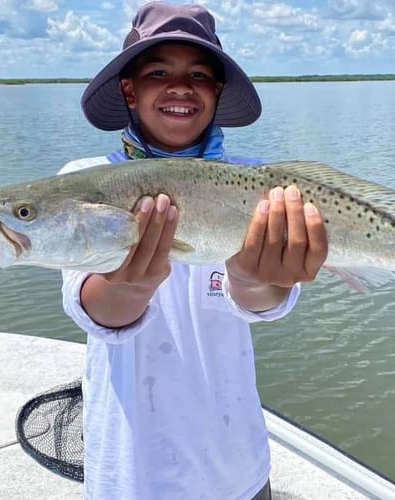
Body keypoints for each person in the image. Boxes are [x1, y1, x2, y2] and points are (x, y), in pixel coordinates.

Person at [59, 2, 328, 499]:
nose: (180, 86)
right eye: (158, 71)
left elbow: (261, 303)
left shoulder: (262, 185)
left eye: (199, 74)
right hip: (130, 471)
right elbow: (95, 308)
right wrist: (128, 286)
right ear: (129, 90)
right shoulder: (84, 180)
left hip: (236, 468)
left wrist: (255, 281)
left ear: (216, 92)